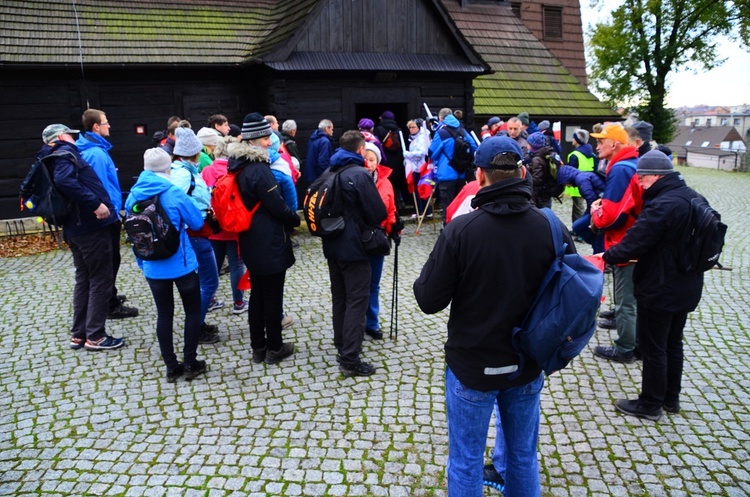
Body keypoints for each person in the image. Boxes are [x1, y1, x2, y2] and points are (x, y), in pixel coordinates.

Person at [414, 135, 574, 497]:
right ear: (521, 172)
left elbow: (427, 299)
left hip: (473, 364)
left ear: (480, 177)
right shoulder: (551, 226)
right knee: (522, 456)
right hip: (527, 361)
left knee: (466, 460)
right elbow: (571, 292)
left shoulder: (461, 231)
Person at [602, 150, 704, 420]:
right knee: (673, 343)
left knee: (653, 347)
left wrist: (605, 256)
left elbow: (634, 242)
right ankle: (671, 398)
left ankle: (650, 404)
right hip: (687, 283)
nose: (640, 183)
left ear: (657, 176)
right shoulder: (693, 197)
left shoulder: (663, 205)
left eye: (643, 179)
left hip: (659, 287)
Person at [39, 124, 125, 351]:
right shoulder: (63, 154)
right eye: (71, 134)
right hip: (89, 228)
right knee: (100, 279)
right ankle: (95, 336)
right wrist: (95, 203)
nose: (75, 138)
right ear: (60, 137)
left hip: (76, 228)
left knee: (85, 279)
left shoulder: (53, 156)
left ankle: (79, 334)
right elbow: (65, 181)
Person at [125, 148, 207, 381]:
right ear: (167, 167)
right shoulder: (173, 192)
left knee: (164, 313)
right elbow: (197, 222)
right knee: (192, 311)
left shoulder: (133, 196)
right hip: (181, 263)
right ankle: (191, 362)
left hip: (151, 265)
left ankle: (171, 367)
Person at [228, 113, 301, 365]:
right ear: (254, 140)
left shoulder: (238, 164)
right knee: (272, 296)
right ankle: (275, 348)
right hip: (268, 240)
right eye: (265, 138)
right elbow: (276, 206)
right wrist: (294, 219)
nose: (270, 142)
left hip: (250, 238)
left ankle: (258, 347)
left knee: (258, 294)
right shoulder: (259, 169)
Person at [321, 130, 387, 377]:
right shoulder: (359, 174)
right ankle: (350, 358)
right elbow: (377, 212)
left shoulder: (330, 171)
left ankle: (342, 343)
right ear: (360, 150)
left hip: (332, 244)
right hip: (355, 247)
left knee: (340, 298)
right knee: (357, 300)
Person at [75, 108, 139, 320]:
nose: (109, 125)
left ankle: (109, 295)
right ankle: (109, 305)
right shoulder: (96, 154)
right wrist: (112, 212)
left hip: (104, 214)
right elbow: (100, 188)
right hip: (106, 216)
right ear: (96, 126)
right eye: (106, 122)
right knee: (110, 260)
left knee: (110, 259)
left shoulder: (92, 149)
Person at [589, 123, 640, 363]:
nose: (597, 145)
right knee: (631, 297)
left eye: (601, 141)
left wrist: (594, 214)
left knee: (626, 301)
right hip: (635, 241)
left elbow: (612, 215)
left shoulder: (620, 169)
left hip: (626, 243)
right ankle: (635, 342)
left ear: (615, 144)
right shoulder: (629, 164)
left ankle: (626, 348)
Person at [170, 126, 221, 344]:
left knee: (204, 281)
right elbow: (174, 202)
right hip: (195, 232)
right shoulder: (182, 175)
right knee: (210, 282)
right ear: (195, 153)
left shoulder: (185, 171)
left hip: (196, 231)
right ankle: (196, 327)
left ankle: (197, 323)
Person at [201, 136, 247, 315]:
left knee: (214, 265)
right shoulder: (236, 172)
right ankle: (238, 302)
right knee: (236, 265)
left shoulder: (207, 171)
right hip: (233, 225)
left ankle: (209, 299)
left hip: (214, 226)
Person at [362, 143, 397, 341]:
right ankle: (357, 322)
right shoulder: (355, 180)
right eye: (365, 159)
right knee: (359, 284)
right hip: (358, 239)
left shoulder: (385, 183)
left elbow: (390, 209)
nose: (369, 163)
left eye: (372, 159)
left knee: (374, 284)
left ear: (378, 161)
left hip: (377, 239)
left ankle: (372, 323)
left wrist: (394, 227)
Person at [428, 113, 478, 220]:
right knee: (460, 205)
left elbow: (432, 152)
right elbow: (474, 147)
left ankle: (448, 230)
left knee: (448, 205)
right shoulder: (462, 131)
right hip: (461, 173)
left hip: (446, 174)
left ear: (442, 120)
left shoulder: (441, 133)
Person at [566, 128, 597, 224]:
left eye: (573, 137)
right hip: (590, 184)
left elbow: (570, 172)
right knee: (582, 207)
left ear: (577, 140)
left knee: (578, 208)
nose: (572, 139)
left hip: (577, 185)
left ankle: (579, 229)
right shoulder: (592, 155)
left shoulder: (574, 155)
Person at [526, 131, 561, 209]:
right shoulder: (545, 154)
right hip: (546, 192)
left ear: (532, 145)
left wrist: (526, 179)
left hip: (539, 195)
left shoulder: (537, 159)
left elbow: (537, 179)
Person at [303, 119, 334, 184]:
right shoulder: (325, 141)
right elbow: (323, 161)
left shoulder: (313, 138)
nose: (332, 131)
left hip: (311, 174)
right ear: (326, 128)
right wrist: (327, 177)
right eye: (331, 129)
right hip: (319, 177)